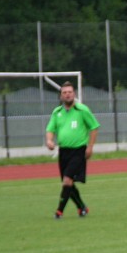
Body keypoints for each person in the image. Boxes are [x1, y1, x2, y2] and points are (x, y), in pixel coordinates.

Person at [45, 81, 99, 219]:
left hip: (78, 151)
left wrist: (90, 147)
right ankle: (82, 207)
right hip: (63, 152)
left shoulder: (82, 110)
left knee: (67, 181)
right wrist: (49, 140)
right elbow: (50, 129)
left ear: (74, 94)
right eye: (64, 92)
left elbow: (94, 127)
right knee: (68, 183)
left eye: (70, 92)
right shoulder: (57, 112)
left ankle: (59, 212)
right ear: (60, 96)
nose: (67, 94)